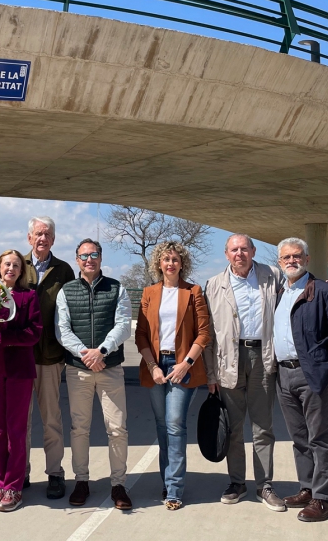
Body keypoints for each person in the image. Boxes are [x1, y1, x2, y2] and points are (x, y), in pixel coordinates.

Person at [273, 237, 328, 522]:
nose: (292, 261)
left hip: (314, 375)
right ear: (280, 262)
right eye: (286, 257)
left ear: (307, 260)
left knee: (319, 438)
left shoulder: (322, 291)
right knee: (299, 438)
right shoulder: (280, 293)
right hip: (284, 374)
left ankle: (323, 499)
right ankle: (307, 488)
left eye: (297, 256)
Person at [203, 233, 285, 511]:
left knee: (263, 427)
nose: (240, 254)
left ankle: (265, 485)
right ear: (226, 254)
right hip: (228, 359)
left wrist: (327, 287)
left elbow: (297, 290)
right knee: (234, 427)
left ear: (253, 251)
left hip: (262, 356)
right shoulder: (214, 285)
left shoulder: (272, 276)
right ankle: (237, 482)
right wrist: (210, 375)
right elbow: (209, 335)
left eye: (244, 249)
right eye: (234, 250)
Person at [55, 239, 133, 510]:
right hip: (78, 371)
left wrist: (101, 351)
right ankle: (81, 480)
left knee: (117, 429)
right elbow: (62, 329)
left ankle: (118, 484)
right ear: (77, 260)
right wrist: (85, 355)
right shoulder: (67, 291)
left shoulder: (117, 288)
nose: (89, 259)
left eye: (94, 255)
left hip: (110, 368)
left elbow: (123, 325)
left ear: (101, 258)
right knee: (79, 428)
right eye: (84, 255)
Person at [135, 241, 213, 510]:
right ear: (159, 263)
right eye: (166, 259)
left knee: (175, 424)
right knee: (161, 425)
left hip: (183, 366)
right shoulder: (149, 293)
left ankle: (175, 490)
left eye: (175, 260)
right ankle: (167, 483)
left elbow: (204, 333)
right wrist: (152, 366)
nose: (170, 263)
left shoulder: (193, 291)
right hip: (156, 365)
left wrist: (186, 363)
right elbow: (141, 335)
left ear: (182, 264)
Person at [0, 250, 42, 512]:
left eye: (16, 265)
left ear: (21, 271)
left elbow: (34, 332)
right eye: (7, 264)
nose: (11, 269)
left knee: (16, 431)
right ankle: (1, 483)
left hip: (18, 371)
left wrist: (3, 339)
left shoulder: (29, 296)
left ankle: (14, 486)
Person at [22, 216, 75, 498]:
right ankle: (22, 471)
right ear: (29, 238)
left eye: (47, 235)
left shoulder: (64, 270)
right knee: (22, 419)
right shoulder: (17, 265)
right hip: (20, 356)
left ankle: (55, 473)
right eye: (38, 234)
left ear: (53, 240)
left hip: (50, 356)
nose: (42, 239)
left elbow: (70, 314)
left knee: (51, 418)